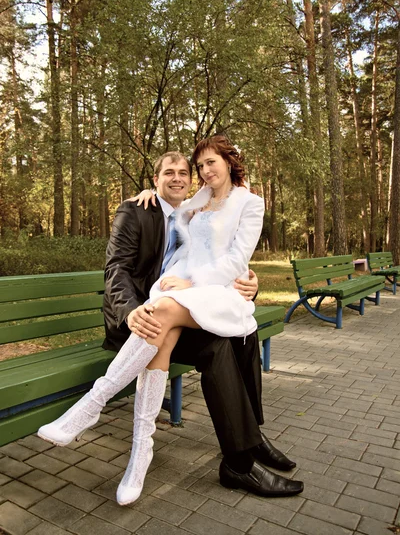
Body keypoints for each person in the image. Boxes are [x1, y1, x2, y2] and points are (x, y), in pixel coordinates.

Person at [38, 136, 303, 506]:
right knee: (203, 337)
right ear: (156, 178)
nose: (188, 176)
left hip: (182, 301)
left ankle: (242, 448)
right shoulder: (140, 209)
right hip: (140, 315)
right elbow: (116, 270)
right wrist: (130, 309)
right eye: (174, 172)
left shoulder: (214, 204)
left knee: (226, 341)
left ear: (227, 163)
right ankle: (167, 452)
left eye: (190, 170)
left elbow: (229, 255)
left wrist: (248, 282)